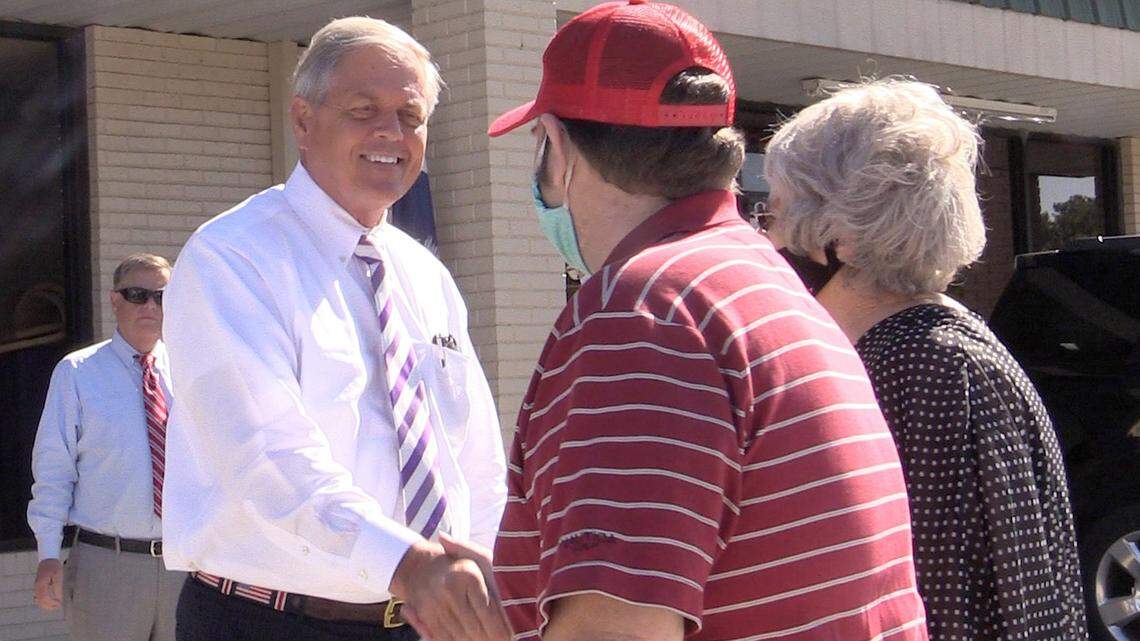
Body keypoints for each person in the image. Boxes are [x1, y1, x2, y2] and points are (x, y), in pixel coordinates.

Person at [485, 4, 929, 641]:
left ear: (556, 147)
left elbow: (614, 630)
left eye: (539, 147)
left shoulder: (641, 316)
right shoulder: (768, 286)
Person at [161, 16, 508, 641]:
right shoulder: (232, 258)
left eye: (410, 115)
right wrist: (406, 564)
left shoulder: (425, 275)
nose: (390, 133)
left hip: (422, 622)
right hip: (269, 621)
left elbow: (474, 458)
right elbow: (266, 457)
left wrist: (484, 579)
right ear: (302, 119)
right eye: (363, 109)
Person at [762, 78, 1087, 641]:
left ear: (840, 234)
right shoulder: (922, 350)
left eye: (774, 212)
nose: (763, 237)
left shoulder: (929, 367)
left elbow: (943, 597)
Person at [27, 253, 184, 641]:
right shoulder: (77, 373)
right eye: (137, 294)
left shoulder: (190, 371)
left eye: (161, 296)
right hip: (106, 565)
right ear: (116, 300)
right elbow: (54, 469)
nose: (150, 305)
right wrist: (48, 552)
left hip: (185, 566)